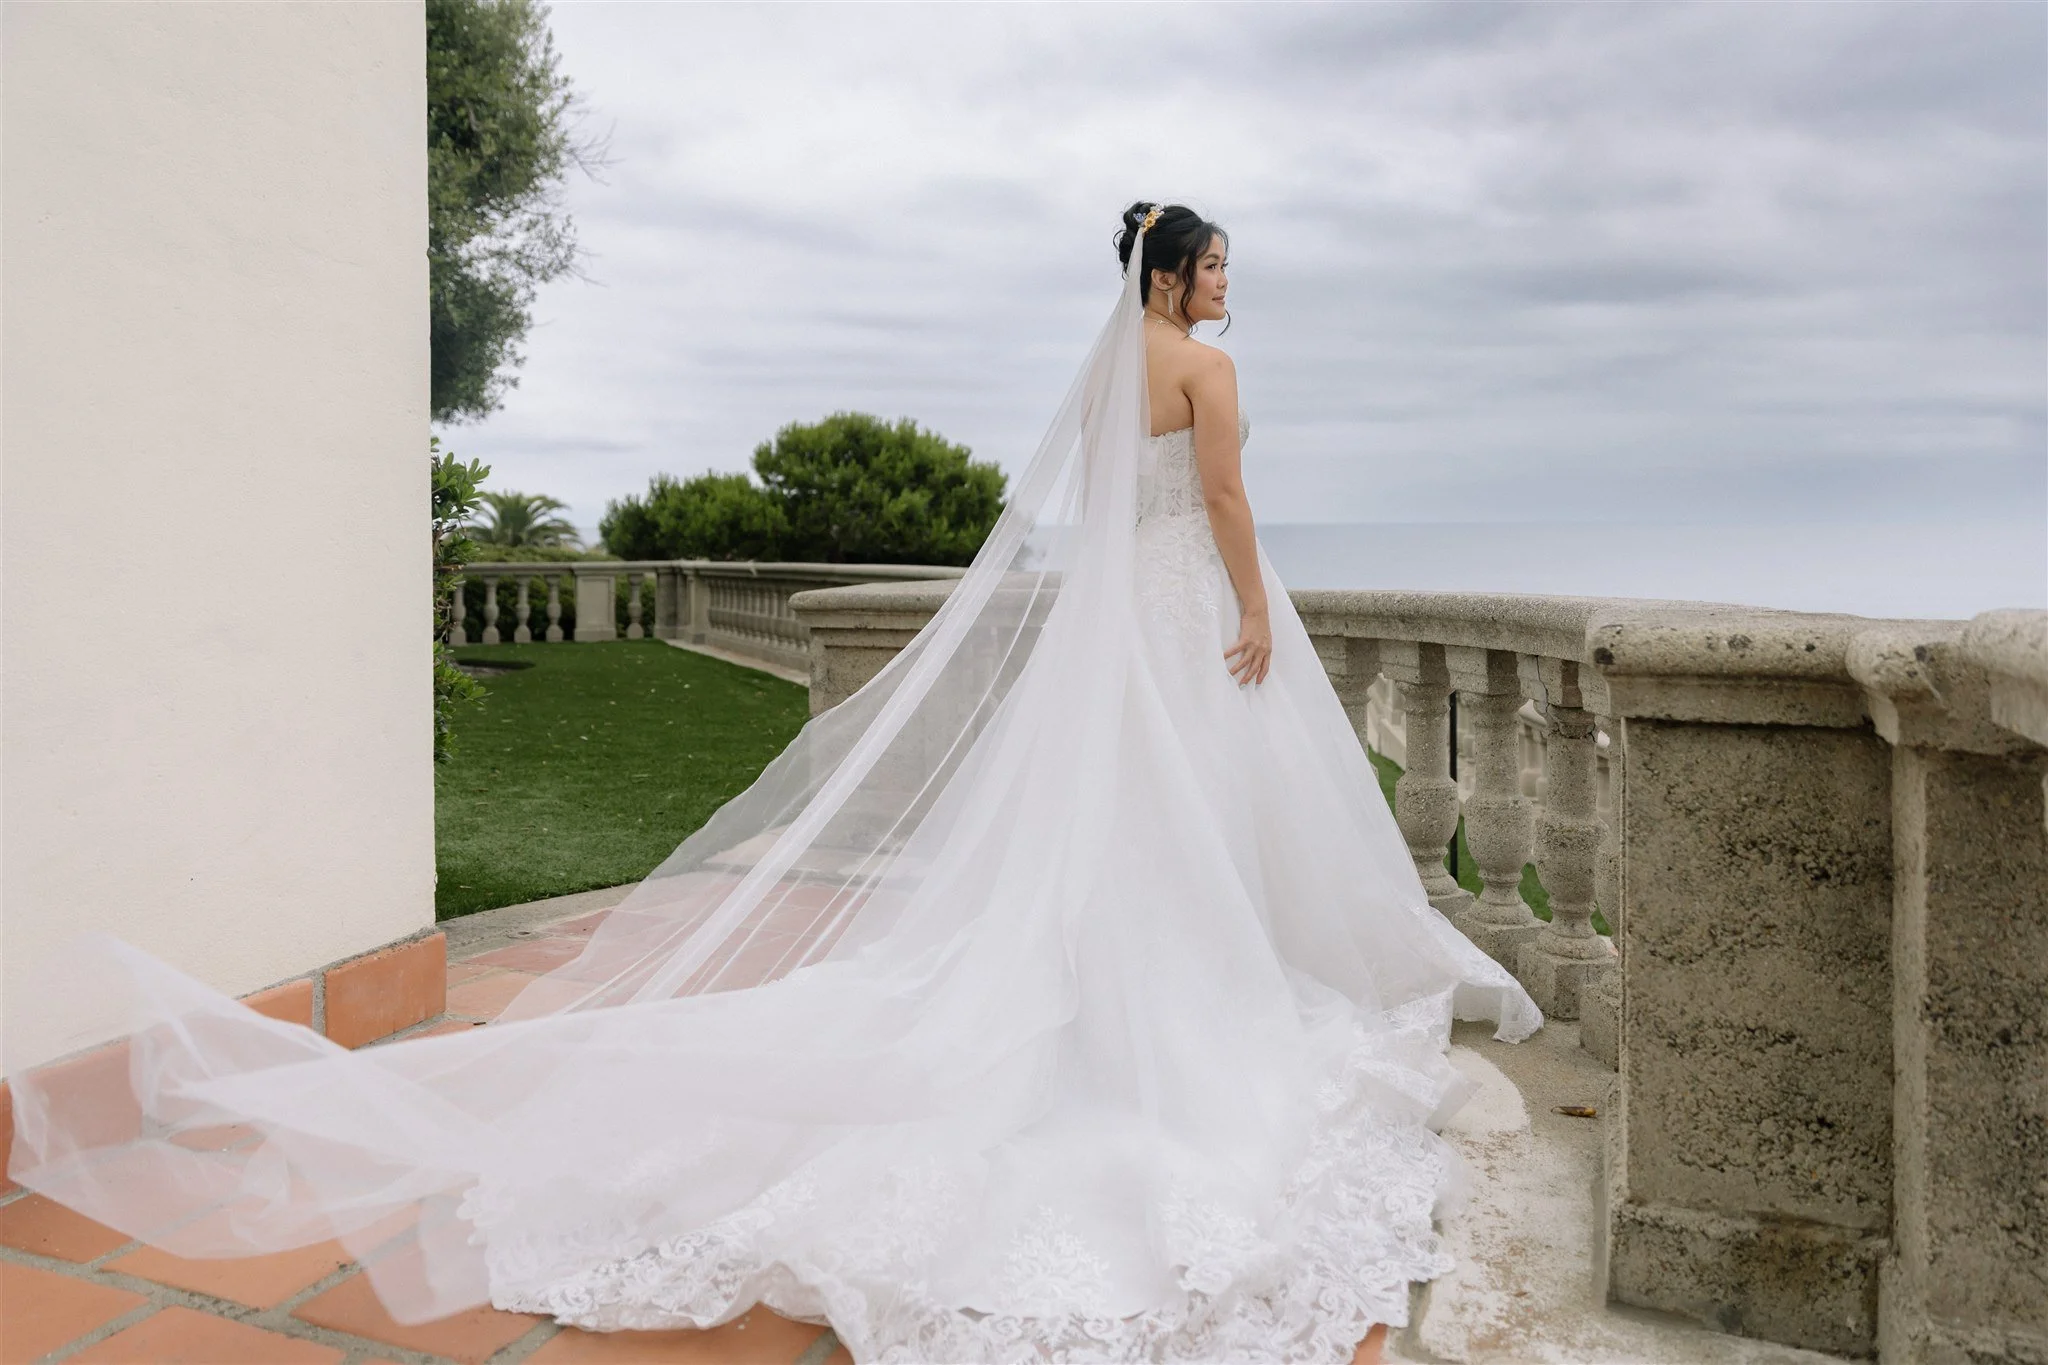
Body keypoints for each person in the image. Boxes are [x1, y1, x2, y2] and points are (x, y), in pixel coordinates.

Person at [9, 201, 1541, 1364]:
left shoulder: (1100, 384)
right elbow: (1216, 497)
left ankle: (1111, 996)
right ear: (1168, 277)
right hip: (1184, 616)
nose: (1226, 288)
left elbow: (1089, 510)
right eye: (1214, 267)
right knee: (1182, 822)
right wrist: (1257, 607)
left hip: (1111, 632)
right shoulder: (1200, 369)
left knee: (1118, 829)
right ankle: (1171, 1018)